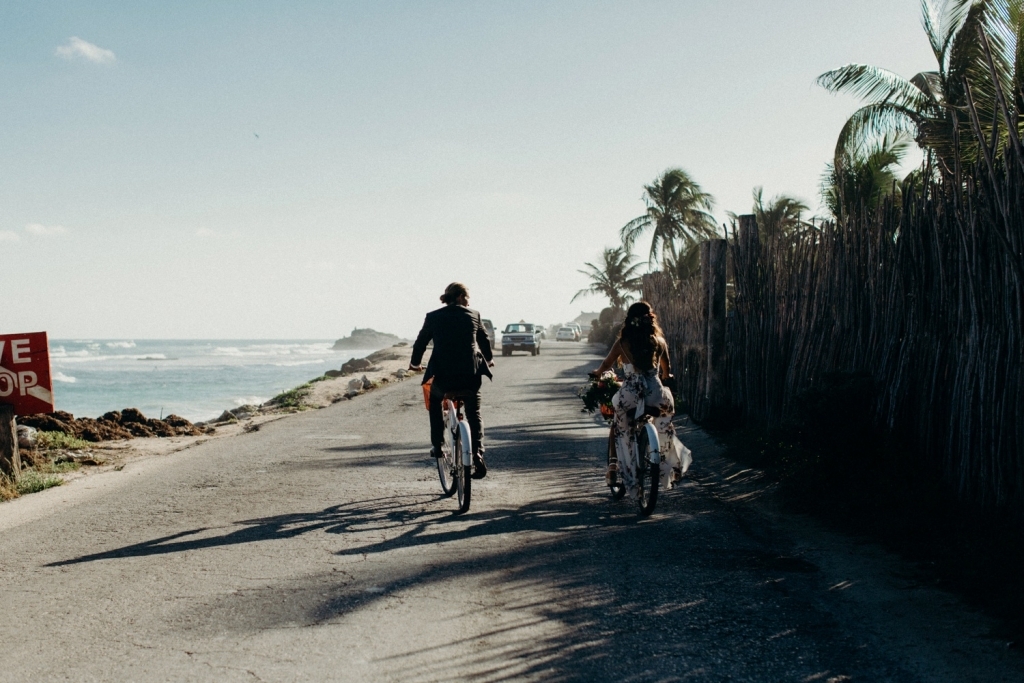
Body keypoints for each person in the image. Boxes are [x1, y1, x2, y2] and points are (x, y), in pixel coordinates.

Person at [590, 301, 691, 497]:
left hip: (630, 394)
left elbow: (606, 363)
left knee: (619, 423)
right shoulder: (659, 342)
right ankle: (670, 462)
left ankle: (614, 467)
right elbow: (666, 371)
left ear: (630, 320)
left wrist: (597, 373)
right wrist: (666, 378)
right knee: (665, 418)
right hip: (655, 394)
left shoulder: (622, 343)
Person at [409, 282, 494, 478]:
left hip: (444, 378)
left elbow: (420, 342)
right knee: (474, 412)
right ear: (459, 297)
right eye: (466, 297)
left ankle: (438, 445)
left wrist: (415, 364)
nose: (468, 302)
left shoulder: (433, 317)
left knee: (435, 401)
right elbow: (484, 340)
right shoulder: (474, 315)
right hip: (470, 378)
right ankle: (478, 452)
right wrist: (488, 360)